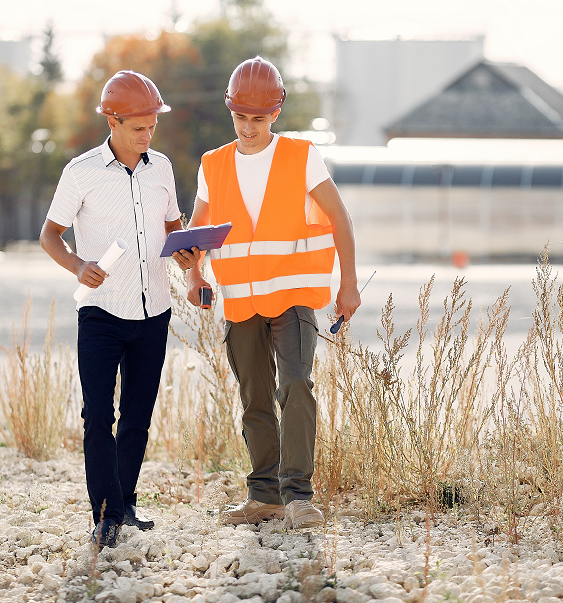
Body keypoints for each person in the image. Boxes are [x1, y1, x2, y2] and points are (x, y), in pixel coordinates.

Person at [177, 56, 360, 530]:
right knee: (254, 395)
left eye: (257, 119)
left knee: (295, 382)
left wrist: (349, 285)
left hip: (295, 295)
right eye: (240, 117)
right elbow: (199, 230)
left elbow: (340, 218)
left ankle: (299, 496)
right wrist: (194, 274)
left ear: (275, 113)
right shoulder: (212, 164)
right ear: (231, 112)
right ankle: (263, 497)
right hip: (241, 301)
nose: (248, 127)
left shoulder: (302, 155)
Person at [40, 71, 200, 547]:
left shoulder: (162, 169)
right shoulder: (81, 171)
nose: (147, 134)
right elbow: (49, 235)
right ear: (112, 120)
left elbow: (174, 228)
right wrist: (76, 264)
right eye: (137, 127)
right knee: (97, 415)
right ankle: (105, 514)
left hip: (154, 310)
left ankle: (125, 505)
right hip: (101, 312)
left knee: (137, 414)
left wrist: (188, 253)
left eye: (152, 126)